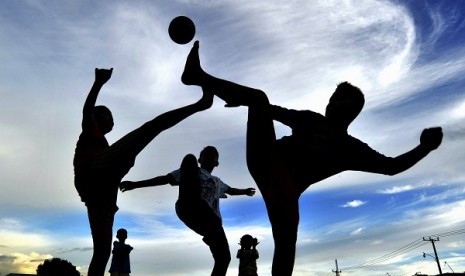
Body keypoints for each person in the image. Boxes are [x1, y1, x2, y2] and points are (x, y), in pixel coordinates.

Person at [180, 41, 444, 276]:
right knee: (258, 98)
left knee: (286, 247)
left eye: (338, 99)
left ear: (351, 110)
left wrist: (424, 148)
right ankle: (197, 76)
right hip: (266, 159)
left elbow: (391, 167)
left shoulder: (351, 148)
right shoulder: (310, 119)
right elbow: (271, 110)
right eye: (332, 97)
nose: (331, 102)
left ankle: (200, 77)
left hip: (287, 191)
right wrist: (245, 101)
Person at [73, 68, 213, 276]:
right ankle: (201, 104)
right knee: (150, 129)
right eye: (108, 116)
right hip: (95, 172)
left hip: (101, 197)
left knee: (102, 252)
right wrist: (98, 83)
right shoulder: (90, 132)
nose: (112, 121)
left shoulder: (101, 143)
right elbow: (87, 110)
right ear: (97, 118)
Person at [120, 145, 256, 276]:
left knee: (224, 258)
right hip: (189, 206)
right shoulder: (192, 171)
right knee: (188, 158)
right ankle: (197, 206)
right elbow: (165, 179)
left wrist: (244, 191)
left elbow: (230, 190)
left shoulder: (217, 182)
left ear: (217, 163)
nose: (209, 157)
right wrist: (136, 184)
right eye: (206, 155)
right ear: (200, 160)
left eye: (213, 156)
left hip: (210, 221)